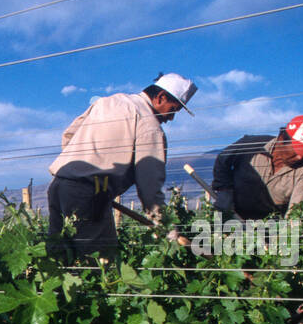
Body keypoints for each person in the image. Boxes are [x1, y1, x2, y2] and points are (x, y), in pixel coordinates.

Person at [47, 72, 196, 258]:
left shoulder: (108, 102)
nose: (171, 118)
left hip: (59, 185)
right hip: (89, 196)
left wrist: (79, 169)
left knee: (59, 258)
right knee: (99, 264)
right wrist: (165, 226)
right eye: (173, 109)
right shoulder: (149, 126)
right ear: (161, 97)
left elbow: (69, 134)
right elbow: (149, 186)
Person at [212, 115, 303, 220]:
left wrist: (287, 236)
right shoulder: (251, 144)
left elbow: (299, 212)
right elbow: (223, 160)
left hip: (270, 226)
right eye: (297, 151)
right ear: (281, 139)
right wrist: (224, 189)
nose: (300, 157)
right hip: (232, 215)